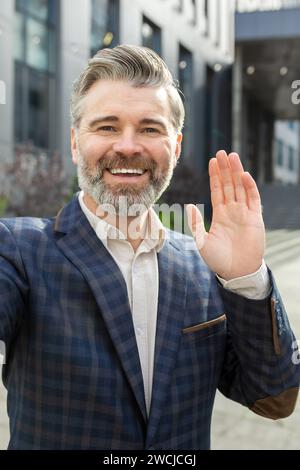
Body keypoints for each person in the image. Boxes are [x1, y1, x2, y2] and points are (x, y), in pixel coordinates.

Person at [0, 45, 299, 450]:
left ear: (175, 148)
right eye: (106, 127)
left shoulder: (206, 266)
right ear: (75, 143)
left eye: (149, 128)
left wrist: (247, 278)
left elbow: (274, 399)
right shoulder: (18, 251)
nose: (127, 146)